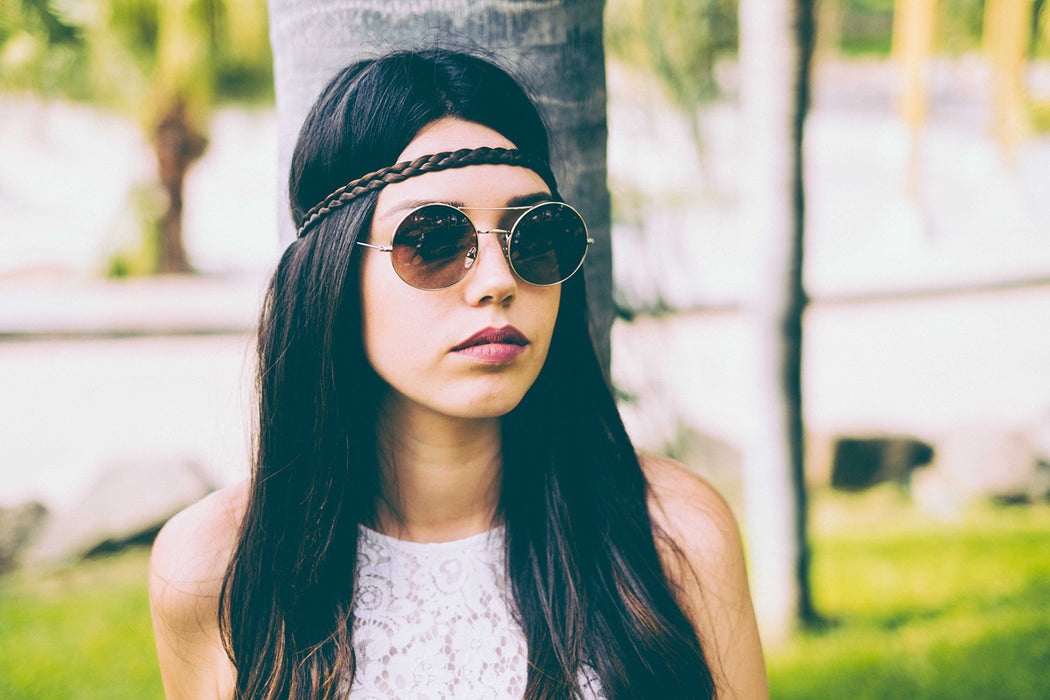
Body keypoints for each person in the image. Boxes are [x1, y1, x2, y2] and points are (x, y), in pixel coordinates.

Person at [149, 49, 767, 700]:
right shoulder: (214, 571)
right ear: (333, 275)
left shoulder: (674, 537)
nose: (499, 281)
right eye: (434, 240)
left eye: (533, 235)